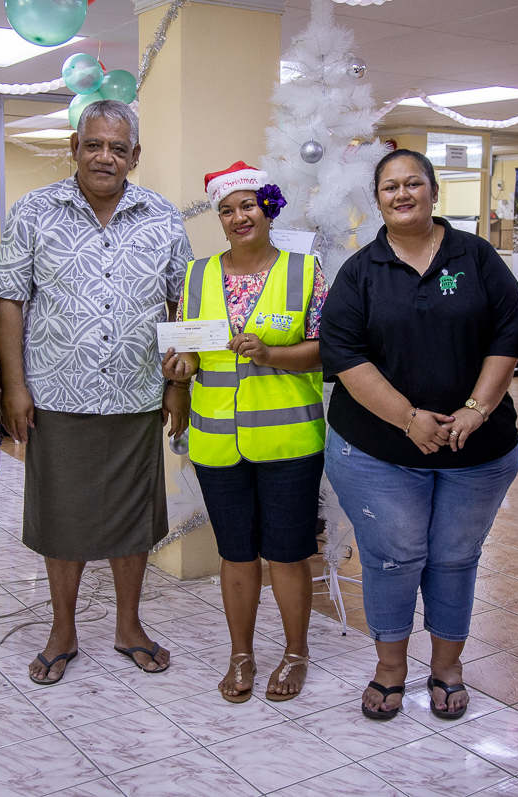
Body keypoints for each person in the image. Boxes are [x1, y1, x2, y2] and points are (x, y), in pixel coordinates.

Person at [321, 149, 518, 722]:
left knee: (455, 558)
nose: (402, 193)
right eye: (390, 187)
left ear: (434, 191)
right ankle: (390, 669)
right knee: (392, 558)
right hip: (377, 451)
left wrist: (476, 409)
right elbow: (344, 355)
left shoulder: (478, 258)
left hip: (476, 449)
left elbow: (509, 332)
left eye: (414, 183)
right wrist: (408, 418)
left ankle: (447, 668)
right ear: (378, 198)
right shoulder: (361, 271)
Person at [0, 100, 192, 685]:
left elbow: (181, 302)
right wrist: (14, 387)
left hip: (137, 392)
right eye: (95, 144)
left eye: (118, 147)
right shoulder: (34, 211)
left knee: (133, 517)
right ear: (75, 146)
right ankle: (63, 629)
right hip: (56, 392)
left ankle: (129, 626)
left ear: (135, 155)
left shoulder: (162, 216)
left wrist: (177, 387)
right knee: (64, 518)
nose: (106, 156)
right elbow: (9, 301)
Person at [161, 162, 325, 702]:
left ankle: (295, 654)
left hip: (288, 442)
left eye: (248, 205)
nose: (237, 217)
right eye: (226, 210)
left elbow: (329, 348)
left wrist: (272, 353)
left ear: (268, 208)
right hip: (217, 442)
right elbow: (189, 351)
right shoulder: (196, 274)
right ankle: (242, 654)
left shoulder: (305, 271)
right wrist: (179, 373)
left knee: (288, 553)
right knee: (236, 553)